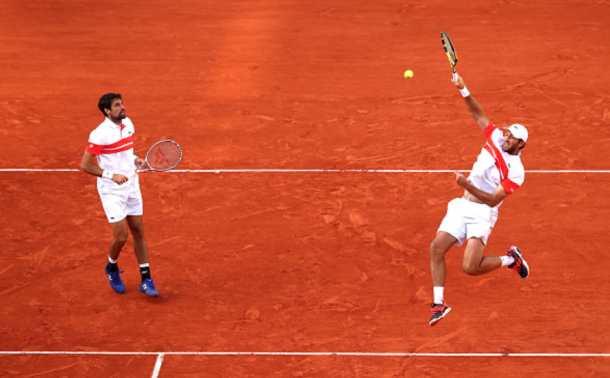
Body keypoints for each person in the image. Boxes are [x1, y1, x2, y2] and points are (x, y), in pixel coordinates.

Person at [428, 75, 529, 326]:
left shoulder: (517, 171)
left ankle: (510, 259)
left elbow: (494, 200)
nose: (505, 137)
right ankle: (439, 304)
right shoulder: (495, 138)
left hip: (483, 212)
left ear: (521, 144)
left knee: (470, 268)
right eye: (506, 133)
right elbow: (476, 113)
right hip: (462, 204)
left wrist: (468, 185)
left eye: (511, 137)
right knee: (436, 248)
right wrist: (463, 88)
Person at [80, 93, 159, 297]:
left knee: (139, 232)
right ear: (107, 111)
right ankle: (112, 268)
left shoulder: (128, 123)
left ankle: (145, 280)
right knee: (121, 236)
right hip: (111, 190)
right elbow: (85, 165)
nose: (122, 108)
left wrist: (135, 160)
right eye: (117, 105)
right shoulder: (99, 134)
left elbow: (125, 152)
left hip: (132, 185)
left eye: (122, 104)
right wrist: (111, 175)